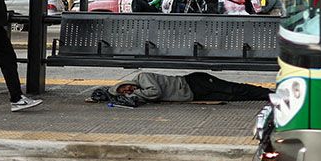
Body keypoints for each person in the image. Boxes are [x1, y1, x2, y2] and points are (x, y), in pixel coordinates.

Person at [98, 71, 270, 105]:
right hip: (193, 96)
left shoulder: (142, 78)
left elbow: (155, 93)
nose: (127, 91)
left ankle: (269, 93)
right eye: (124, 93)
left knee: (235, 89)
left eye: (124, 88)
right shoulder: (140, 94)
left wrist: (133, 95)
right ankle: (264, 97)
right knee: (234, 98)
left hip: (194, 83)